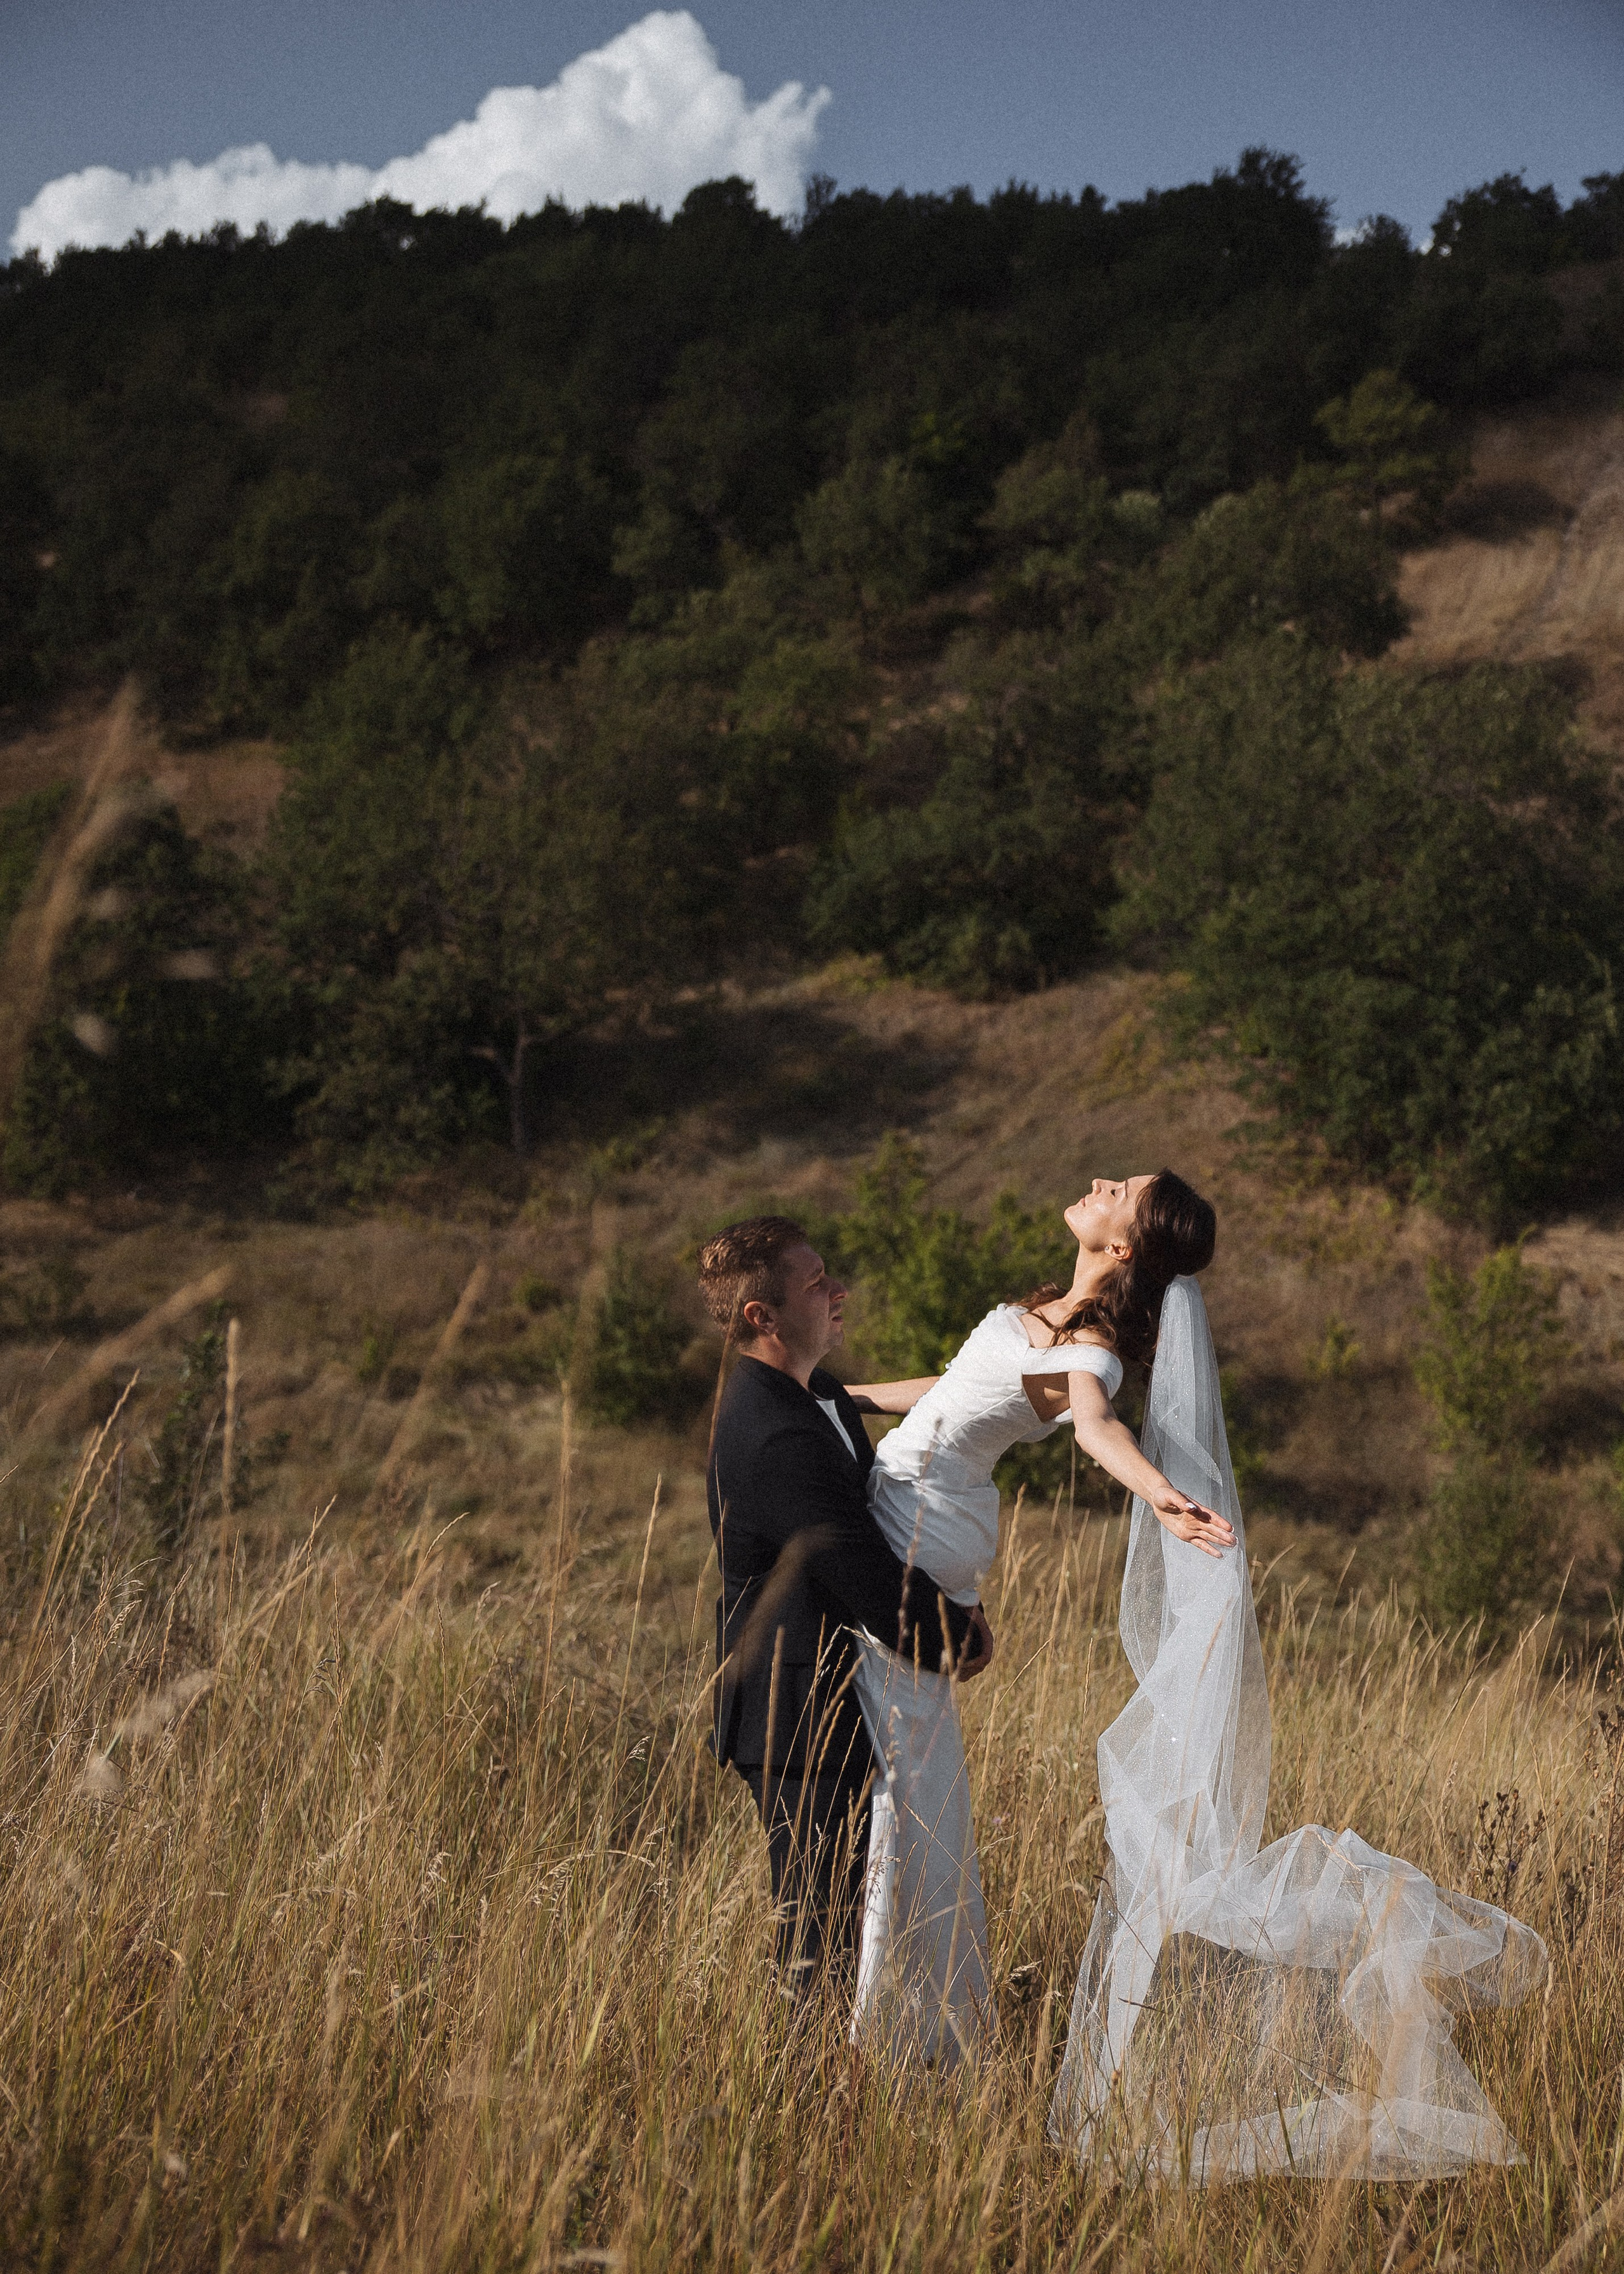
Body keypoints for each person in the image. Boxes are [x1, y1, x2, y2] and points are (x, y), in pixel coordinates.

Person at [842, 1170, 1230, 2068]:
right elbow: (949, 1391)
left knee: (898, 1759)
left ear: (1124, 1245)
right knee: (891, 1747)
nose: (1101, 1182)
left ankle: (887, 2014)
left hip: (924, 1527)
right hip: (916, 1499)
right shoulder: (1043, 1309)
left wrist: (1161, 1495)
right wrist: (841, 1396)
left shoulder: (1089, 1351)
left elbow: (1098, 1428)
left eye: (1121, 1190)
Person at [697, 1216, 991, 2006]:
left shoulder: (811, 1390)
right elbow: (860, 1572)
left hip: (840, 1700)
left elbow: (910, 1398)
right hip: (795, 1715)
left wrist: (1024, 1392)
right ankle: (809, 2108)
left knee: (859, 1927)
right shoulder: (770, 1435)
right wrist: (961, 1631)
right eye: (816, 1282)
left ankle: (857, 2086)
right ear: (763, 1316)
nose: (838, 1291)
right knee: (819, 1941)